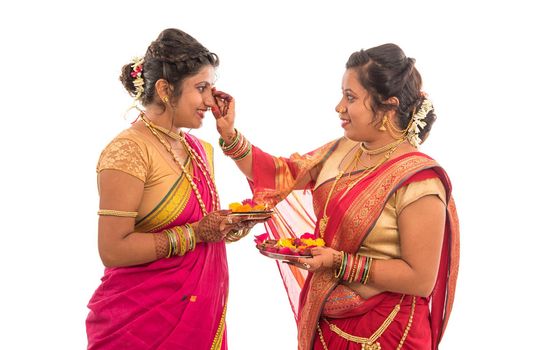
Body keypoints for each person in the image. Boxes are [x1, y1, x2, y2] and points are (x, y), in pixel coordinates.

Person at [212, 43, 459, 349]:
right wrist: (229, 134)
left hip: (388, 333)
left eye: (351, 97)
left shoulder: (419, 180)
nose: (339, 107)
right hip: (328, 325)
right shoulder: (343, 150)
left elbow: (421, 278)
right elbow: (281, 174)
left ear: (388, 105)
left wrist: (338, 262)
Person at [86, 28, 261, 350]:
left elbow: (202, 226)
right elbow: (112, 249)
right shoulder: (128, 151)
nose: (211, 101)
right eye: (201, 88)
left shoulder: (198, 148)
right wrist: (196, 233)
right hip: (140, 325)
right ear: (165, 90)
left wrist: (227, 226)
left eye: (211, 88)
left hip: (199, 314)